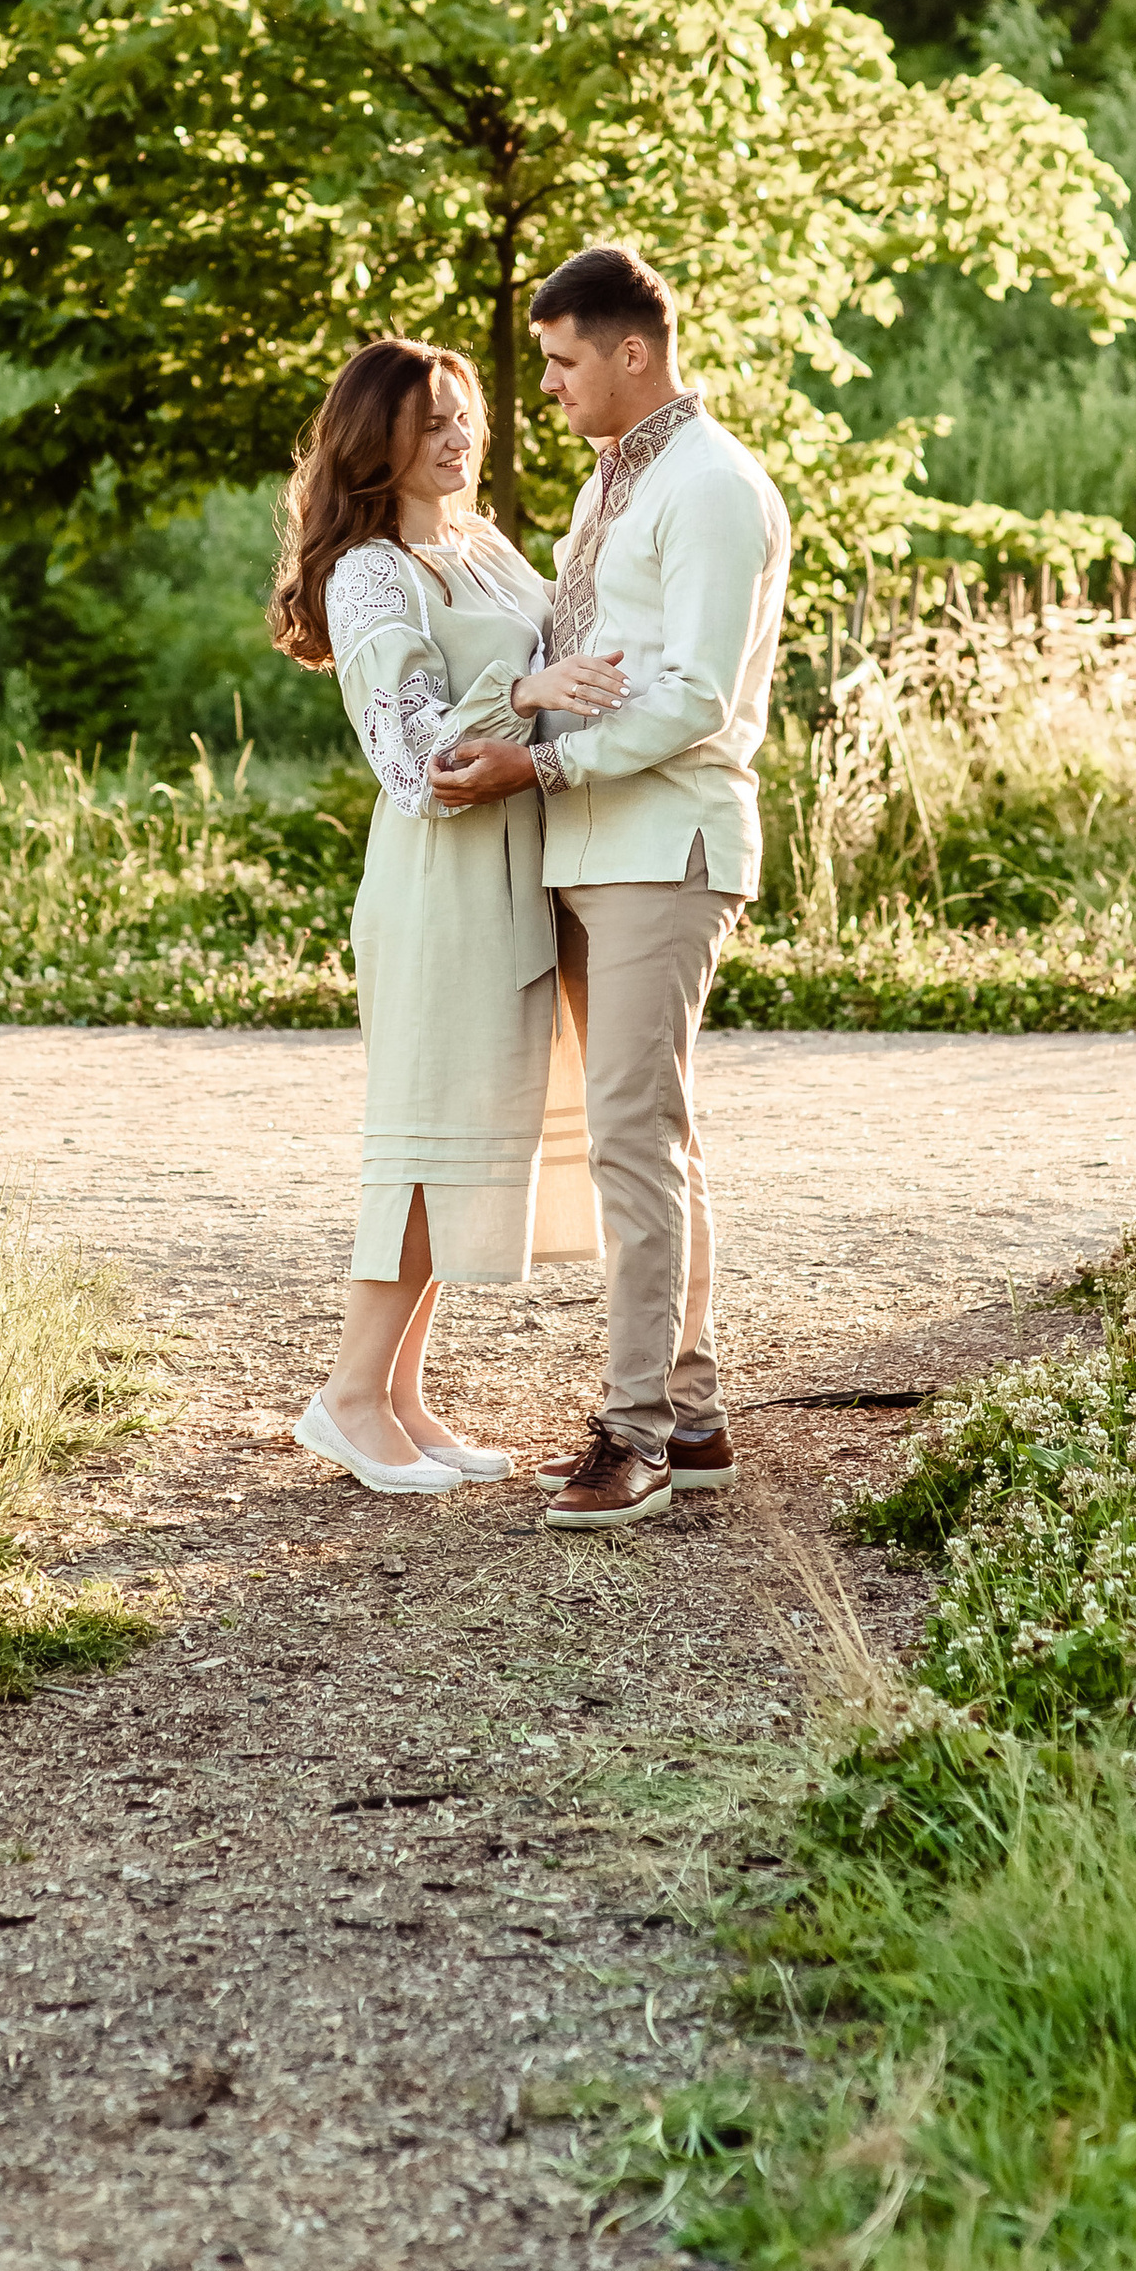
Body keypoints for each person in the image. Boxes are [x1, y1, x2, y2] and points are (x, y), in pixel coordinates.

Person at [430, 246, 791, 1531]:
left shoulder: (707, 486)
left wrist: (539, 761)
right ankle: (690, 1419)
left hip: (665, 848)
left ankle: (631, 1431)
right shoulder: (614, 484)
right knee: (649, 1138)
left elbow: (692, 696)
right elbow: (569, 652)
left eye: (565, 360)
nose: (552, 386)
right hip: (591, 844)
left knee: (637, 1140)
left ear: (634, 351)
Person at [265, 338, 626, 1495]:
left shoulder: (474, 544)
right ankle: (347, 1396)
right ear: (378, 442)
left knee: (470, 1137)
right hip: (439, 879)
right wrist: (518, 695)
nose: (458, 438)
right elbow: (414, 763)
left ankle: (402, 1397)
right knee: (421, 1146)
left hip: (515, 863)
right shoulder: (370, 573)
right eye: (430, 423)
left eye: (463, 415)